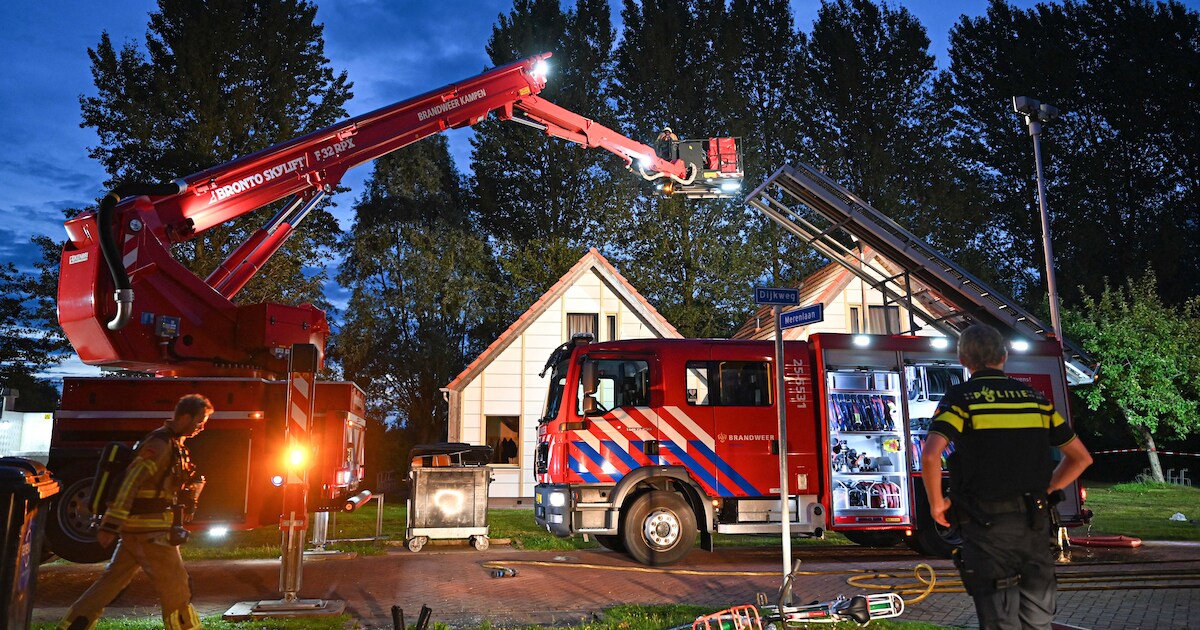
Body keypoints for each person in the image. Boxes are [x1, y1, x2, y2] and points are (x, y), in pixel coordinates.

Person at [921, 324, 1092, 630]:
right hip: (1035, 527)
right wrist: (1049, 488)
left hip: (986, 529)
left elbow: (932, 455)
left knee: (1001, 621)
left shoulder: (961, 400)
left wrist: (936, 504)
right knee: (1038, 622)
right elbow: (1081, 458)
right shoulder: (1036, 400)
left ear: (963, 359)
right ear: (1004, 356)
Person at [58, 394, 213, 630]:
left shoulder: (173, 444)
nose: (201, 427)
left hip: (141, 530)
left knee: (111, 582)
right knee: (177, 586)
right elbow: (131, 481)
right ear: (184, 416)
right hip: (149, 531)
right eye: (199, 420)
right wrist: (110, 524)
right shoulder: (158, 445)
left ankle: (73, 625)